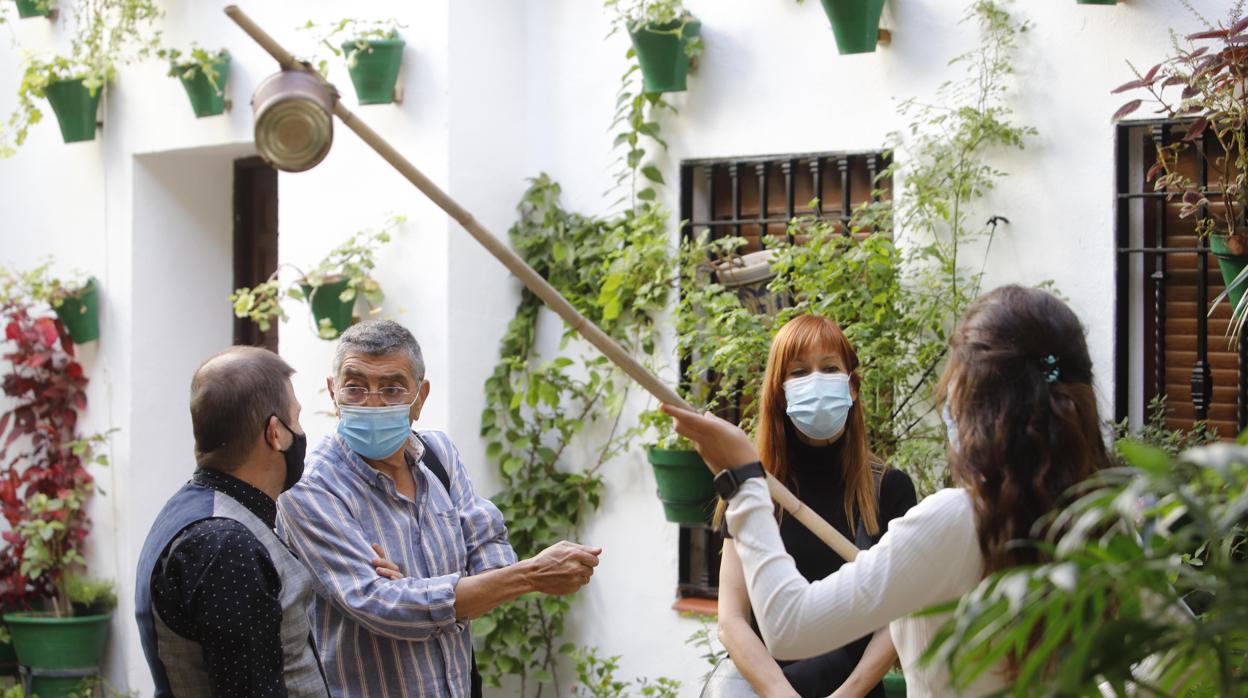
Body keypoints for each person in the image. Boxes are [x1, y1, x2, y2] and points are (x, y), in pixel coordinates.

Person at [665, 285, 1111, 696]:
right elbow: (1174, 656)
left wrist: (743, 481)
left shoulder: (953, 520)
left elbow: (789, 623)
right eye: (798, 373)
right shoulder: (1104, 522)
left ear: (979, 404)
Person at [277, 319, 602, 698]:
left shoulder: (438, 454)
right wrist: (525, 577)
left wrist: (415, 591)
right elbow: (380, 605)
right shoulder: (311, 487)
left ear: (421, 396)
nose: (372, 402)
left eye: (392, 389)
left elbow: (489, 547)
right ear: (333, 393)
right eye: (355, 387)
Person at [136, 346, 399, 697]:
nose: (301, 432)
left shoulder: (197, 510)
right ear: (275, 433)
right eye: (297, 418)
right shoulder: (224, 546)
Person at [707, 315, 916, 698]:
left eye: (830, 368)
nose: (815, 380)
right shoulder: (753, 489)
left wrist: (847, 694)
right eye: (799, 372)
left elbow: (899, 616)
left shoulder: (888, 489)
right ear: (780, 392)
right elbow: (731, 619)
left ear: (852, 386)